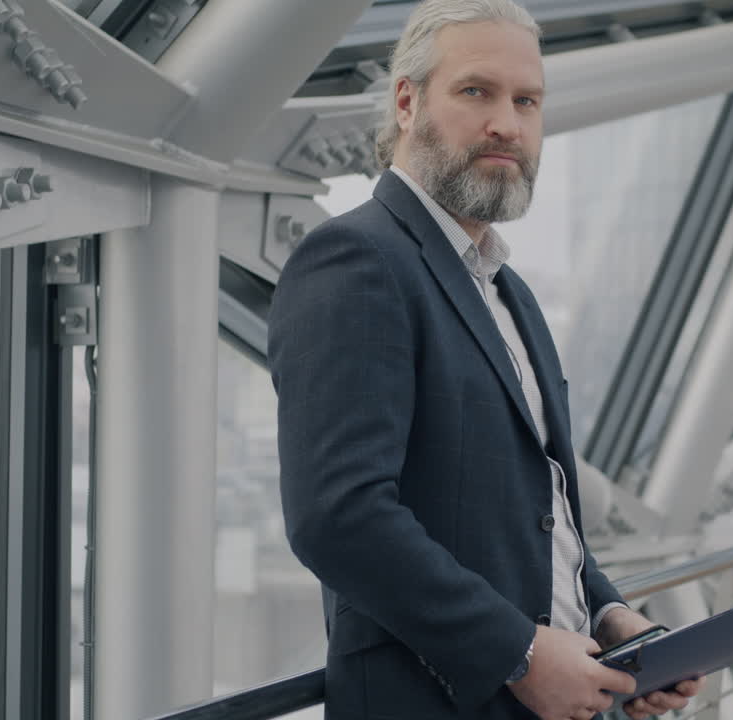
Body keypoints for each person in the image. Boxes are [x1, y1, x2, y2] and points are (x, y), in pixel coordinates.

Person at [268, 1, 702, 717]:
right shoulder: (356, 259)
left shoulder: (509, 292)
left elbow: (537, 516)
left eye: (527, 100)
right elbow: (337, 516)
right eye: (477, 92)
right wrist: (519, 652)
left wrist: (610, 617)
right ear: (407, 102)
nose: (508, 122)